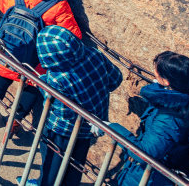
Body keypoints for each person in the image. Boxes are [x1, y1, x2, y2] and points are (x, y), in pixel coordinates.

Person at [0, 0, 83, 129]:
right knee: (32, 86)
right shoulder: (59, 5)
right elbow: (73, 36)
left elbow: (1, 6)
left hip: (7, 49)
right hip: (34, 61)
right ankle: (14, 122)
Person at [107, 53, 189, 186]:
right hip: (177, 167)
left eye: (156, 71)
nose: (154, 73)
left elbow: (145, 154)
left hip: (149, 177)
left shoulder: (170, 117)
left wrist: (111, 128)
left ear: (166, 81)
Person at [35, 26, 123, 186]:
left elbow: (64, 112)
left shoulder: (56, 78)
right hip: (90, 127)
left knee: (51, 166)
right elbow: (116, 79)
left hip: (62, 130)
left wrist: (43, 86)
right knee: (75, 166)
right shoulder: (95, 54)